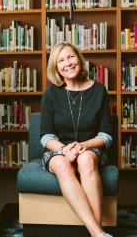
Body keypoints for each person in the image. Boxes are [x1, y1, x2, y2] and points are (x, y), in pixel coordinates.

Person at [40, 42, 114, 237]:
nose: (68, 63)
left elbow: (106, 134)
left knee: (86, 159)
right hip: (58, 149)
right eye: (61, 60)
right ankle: (98, 234)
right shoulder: (51, 93)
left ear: (79, 59)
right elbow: (45, 135)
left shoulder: (99, 90)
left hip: (91, 148)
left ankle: (95, 233)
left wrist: (83, 146)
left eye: (71, 57)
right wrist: (64, 149)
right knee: (64, 165)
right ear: (56, 68)